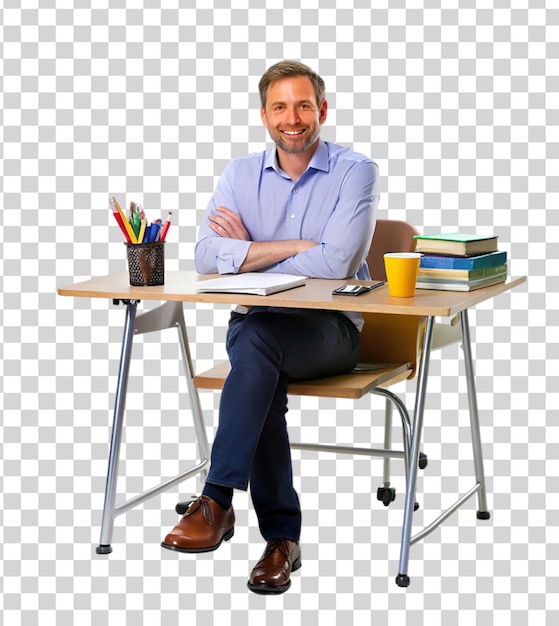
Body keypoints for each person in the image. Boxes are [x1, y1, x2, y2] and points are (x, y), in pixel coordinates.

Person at [161, 60, 380, 594]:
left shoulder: (356, 171)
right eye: (280, 106)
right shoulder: (239, 174)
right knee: (260, 359)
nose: (293, 118)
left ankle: (216, 502)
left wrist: (250, 251)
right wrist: (297, 247)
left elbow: (336, 266)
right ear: (264, 115)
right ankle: (281, 542)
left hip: (329, 334)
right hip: (257, 326)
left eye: (304, 105)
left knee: (256, 354)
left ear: (321, 111)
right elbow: (209, 258)